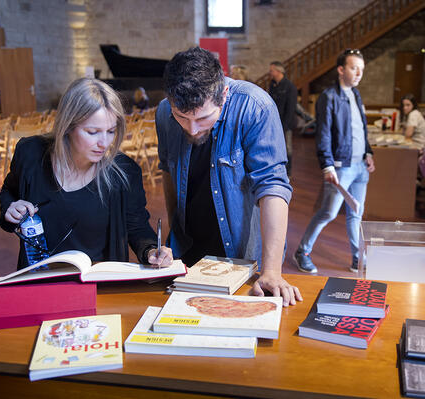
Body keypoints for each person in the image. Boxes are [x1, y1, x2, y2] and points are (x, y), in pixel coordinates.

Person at [156, 47, 302, 306]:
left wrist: (271, 272)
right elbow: (168, 170)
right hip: (188, 249)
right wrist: (174, 233)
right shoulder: (164, 112)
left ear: (223, 94)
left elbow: (272, 187)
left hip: (240, 253)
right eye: (181, 117)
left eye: (203, 118)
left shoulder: (255, 106)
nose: (192, 128)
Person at [0, 78, 172, 269]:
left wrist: (151, 251)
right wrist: (11, 208)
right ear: (68, 127)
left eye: (111, 131)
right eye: (93, 132)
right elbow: (9, 191)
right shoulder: (30, 153)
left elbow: (137, 227)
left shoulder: (124, 171)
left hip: (98, 282)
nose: (104, 143)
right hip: (38, 280)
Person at [294, 48, 375, 273]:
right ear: (341, 69)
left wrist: (368, 153)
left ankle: (358, 258)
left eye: (361, 69)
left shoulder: (356, 94)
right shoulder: (328, 97)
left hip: (360, 166)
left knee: (356, 214)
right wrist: (327, 165)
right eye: (353, 68)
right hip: (341, 167)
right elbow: (324, 134)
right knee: (328, 212)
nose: (358, 73)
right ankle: (303, 251)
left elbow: (360, 130)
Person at [268, 61, 298, 175]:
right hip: (274, 122)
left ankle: (288, 171)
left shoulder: (290, 87)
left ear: (279, 71)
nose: (269, 73)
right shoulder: (272, 84)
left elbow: (291, 109)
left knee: (287, 148)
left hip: (286, 124)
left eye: (271, 70)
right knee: (275, 146)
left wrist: (284, 126)